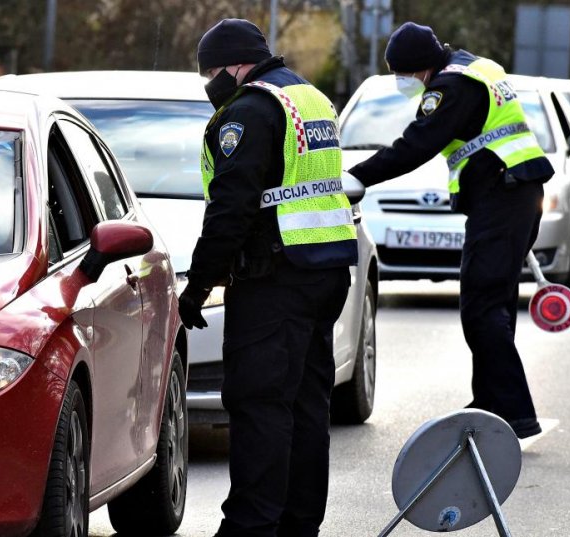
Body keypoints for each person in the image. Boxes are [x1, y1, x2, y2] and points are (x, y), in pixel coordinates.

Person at [178, 18, 358, 537]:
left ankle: (251, 526)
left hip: (274, 278)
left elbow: (231, 209)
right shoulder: (310, 99)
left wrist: (199, 286)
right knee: (304, 405)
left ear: (236, 63)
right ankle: (299, 524)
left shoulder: (250, 111)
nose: (211, 82)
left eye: (213, 71)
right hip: (323, 272)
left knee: (259, 404)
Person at [348, 22, 554, 439]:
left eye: (402, 74)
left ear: (420, 68)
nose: (402, 82)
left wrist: (357, 176)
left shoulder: (451, 87)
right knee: (491, 304)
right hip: (514, 194)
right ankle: (492, 404)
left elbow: (415, 146)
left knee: (480, 306)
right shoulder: (478, 68)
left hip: (504, 196)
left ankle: (514, 411)